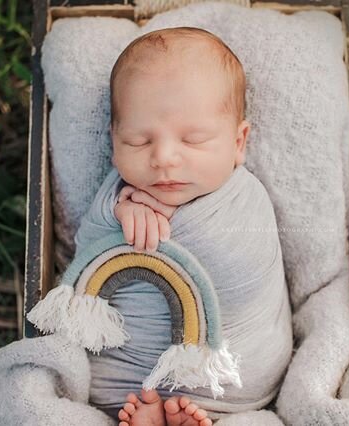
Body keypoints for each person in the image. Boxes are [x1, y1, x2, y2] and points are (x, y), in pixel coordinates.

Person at [87, 27, 292, 426]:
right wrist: (116, 220)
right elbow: (84, 264)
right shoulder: (116, 197)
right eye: (138, 141)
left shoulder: (245, 198)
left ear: (238, 142)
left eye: (194, 139)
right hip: (127, 381)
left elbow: (243, 272)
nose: (163, 157)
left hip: (230, 384)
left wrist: (168, 228)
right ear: (113, 141)